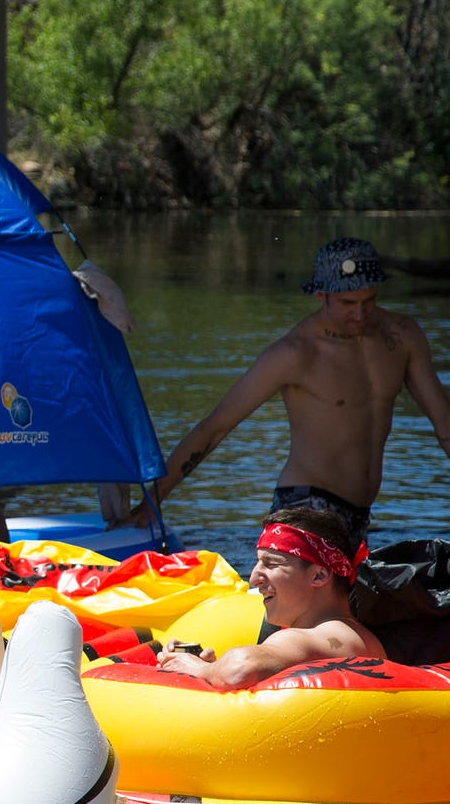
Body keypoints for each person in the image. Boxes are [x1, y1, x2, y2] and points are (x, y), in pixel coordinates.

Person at [136, 238, 450, 549]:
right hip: (305, 510)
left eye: (368, 301)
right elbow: (214, 427)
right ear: (320, 294)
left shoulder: (402, 337)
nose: (359, 313)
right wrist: (152, 503)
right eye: (347, 304)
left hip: (360, 516)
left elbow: (444, 424)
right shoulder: (295, 353)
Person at [153, 506, 385, 689]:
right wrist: (210, 667)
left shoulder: (326, 635)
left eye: (271, 564)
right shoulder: (352, 635)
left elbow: (239, 669)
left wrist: (198, 670)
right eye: (257, 562)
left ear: (319, 575)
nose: (254, 578)